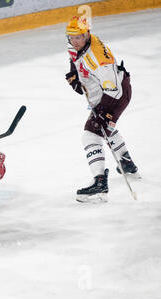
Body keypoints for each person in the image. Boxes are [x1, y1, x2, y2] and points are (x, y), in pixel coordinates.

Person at [64, 16, 139, 203]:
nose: (75, 41)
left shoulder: (99, 59)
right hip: (106, 93)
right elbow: (74, 57)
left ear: (87, 35)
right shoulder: (77, 44)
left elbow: (114, 89)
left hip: (116, 95)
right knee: (106, 128)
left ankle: (100, 186)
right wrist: (74, 73)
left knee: (91, 134)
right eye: (71, 37)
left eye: (79, 37)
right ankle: (126, 163)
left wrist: (105, 112)